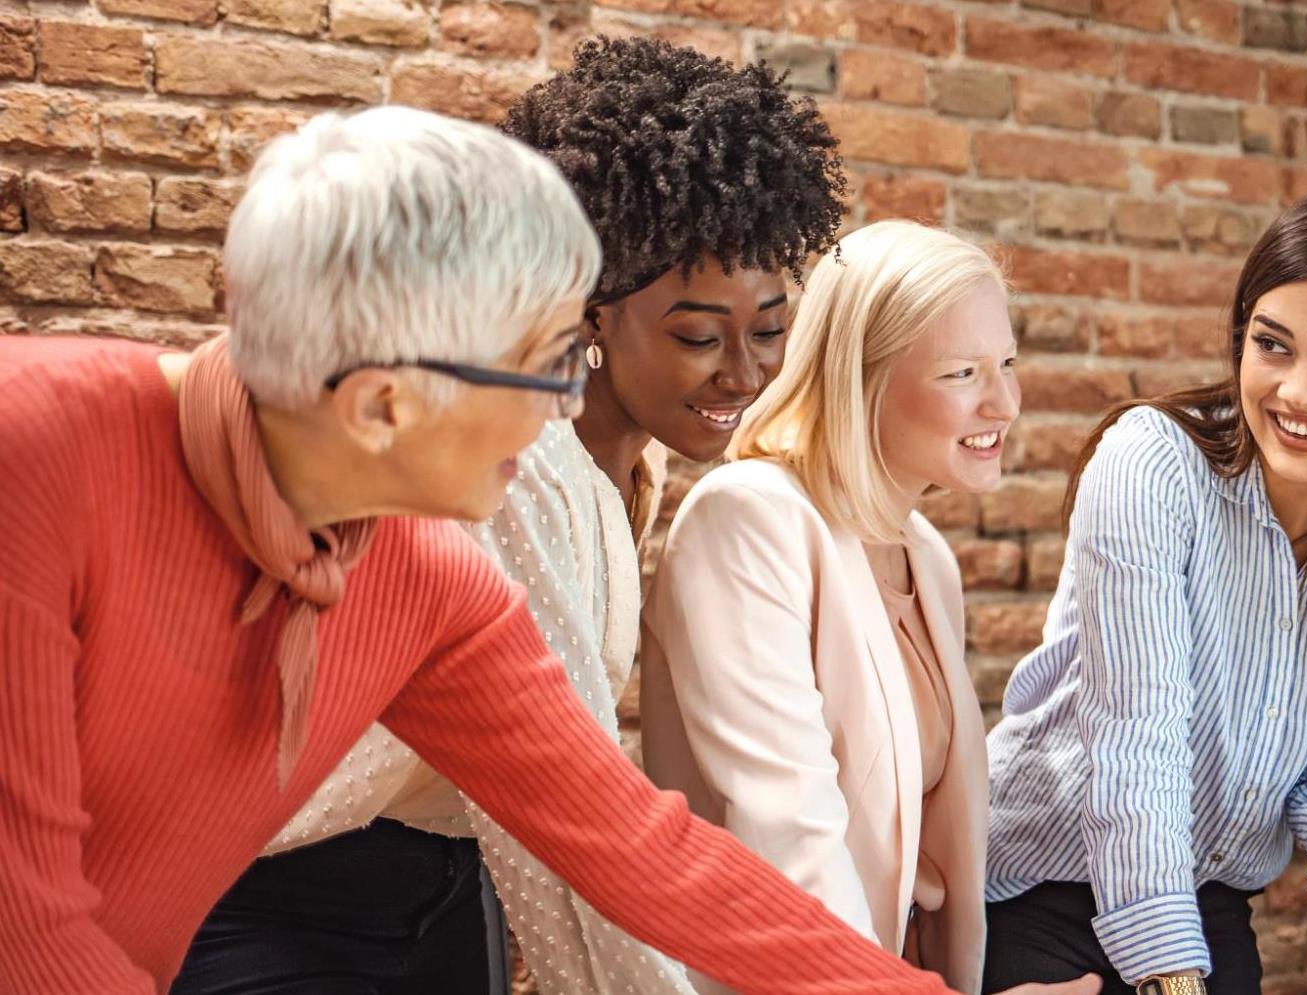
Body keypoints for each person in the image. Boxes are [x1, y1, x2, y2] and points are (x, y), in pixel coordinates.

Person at [0, 105, 969, 995]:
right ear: (384, 402)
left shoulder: (427, 578)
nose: (564, 404)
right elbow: (27, 936)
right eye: (548, 360)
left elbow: (638, 850)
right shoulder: (31, 457)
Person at [175, 38, 845, 995]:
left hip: (445, 897)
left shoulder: (632, 465)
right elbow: (576, 827)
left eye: (771, 328)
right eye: (698, 334)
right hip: (285, 901)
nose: (743, 370)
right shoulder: (515, 469)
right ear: (595, 315)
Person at [980, 188, 1307, 995]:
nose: (1300, 393)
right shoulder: (1150, 466)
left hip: (1211, 901)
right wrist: (1172, 981)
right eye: (1273, 346)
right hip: (1043, 891)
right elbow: (1136, 750)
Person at [640, 220, 1020, 994]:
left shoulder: (928, 558)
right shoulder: (748, 518)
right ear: (862, 375)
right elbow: (792, 838)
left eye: (1008, 364)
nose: (1004, 403)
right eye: (962, 374)